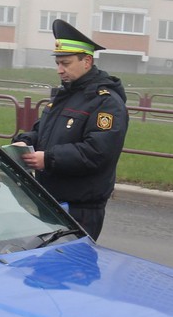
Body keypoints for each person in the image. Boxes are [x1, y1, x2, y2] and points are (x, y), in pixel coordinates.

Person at [13, 19, 127, 240]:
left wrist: (48, 159)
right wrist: (25, 143)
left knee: (72, 270)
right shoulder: (67, 95)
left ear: (87, 61)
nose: (59, 70)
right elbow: (43, 132)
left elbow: (97, 152)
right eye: (58, 63)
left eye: (65, 63)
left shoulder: (106, 102)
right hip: (50, 200)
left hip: (80, 209)